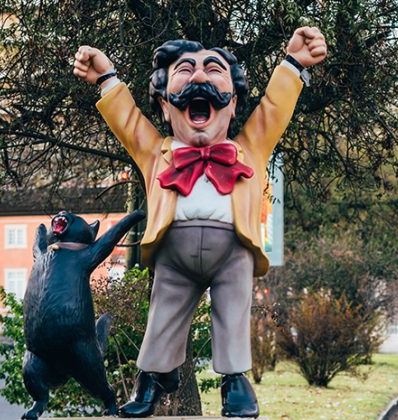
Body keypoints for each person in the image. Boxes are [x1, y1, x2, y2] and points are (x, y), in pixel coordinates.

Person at [73, 27, 327, 418]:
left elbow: (275, 108)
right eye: (185, 70)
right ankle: (151, 380)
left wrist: (293, 64)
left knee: (232, 311)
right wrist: (106, 77)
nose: (199, 79)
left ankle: (235, 383)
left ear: (233, 102)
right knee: (164, 313)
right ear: (163, 105)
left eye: (213, 70)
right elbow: (126, 121)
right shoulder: (156, 152)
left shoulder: (250, 148)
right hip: (174, 253)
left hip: (234, 251)